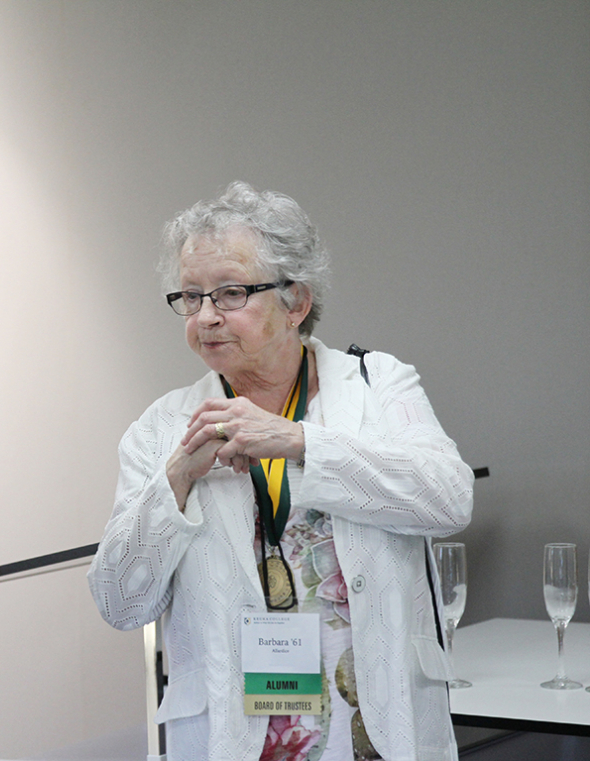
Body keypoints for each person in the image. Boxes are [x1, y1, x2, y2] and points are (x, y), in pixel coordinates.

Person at [88, 182, 474, 761]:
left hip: (377, 732)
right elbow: (120, 603)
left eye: (231, 293)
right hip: (235, 737)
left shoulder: (378, 386)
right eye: (191, 298)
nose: (207, 317)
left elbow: (449, 501)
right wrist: (175, 481)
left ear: (296, 301)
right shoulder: (162, 428)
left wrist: (298, 442)